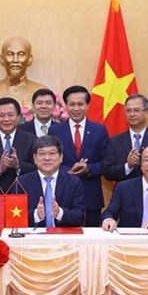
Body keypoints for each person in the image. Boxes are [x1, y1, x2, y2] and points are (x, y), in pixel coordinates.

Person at [48, 85, 109, 227]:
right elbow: (50, 160)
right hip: (63, 196)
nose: (76, 108)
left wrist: (88, 169)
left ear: (88, 106)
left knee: (91, 240)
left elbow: (107, 163)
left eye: (80, 104)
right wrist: (67, 171)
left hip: (91, 197)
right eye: (72, 104)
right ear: (66, 106)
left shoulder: (99, 130)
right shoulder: (55, 130)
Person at [18, 136, 85, 227]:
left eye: (52, 153)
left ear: (61, 157)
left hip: (63, 238)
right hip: (33, 238)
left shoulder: (73, 183)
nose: (47, 158)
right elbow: (14, 216)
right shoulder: (22, 183)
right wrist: (35, 214)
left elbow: (80, 217)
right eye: (42, 154)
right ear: (34, 158)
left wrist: (59, 213)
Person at [103, 94, 148, 182]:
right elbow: (107, 172)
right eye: (128, 111)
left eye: (136, 110)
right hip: (124, 193)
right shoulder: (115, 141)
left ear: (146, 112)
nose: (132, 114)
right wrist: (128, 166)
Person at [0, 37, 50, 107]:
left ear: (29, 59)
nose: (15, 60)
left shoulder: (42, 92)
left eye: (21, 54)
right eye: (10, 54)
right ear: (2, 59)